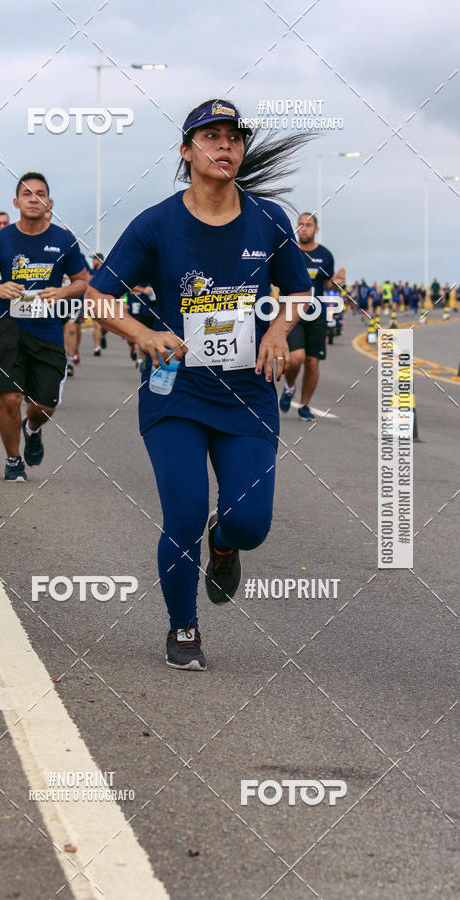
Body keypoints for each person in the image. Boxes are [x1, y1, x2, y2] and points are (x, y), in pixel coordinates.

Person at [86, 99, 312, 670]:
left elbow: (299, 291)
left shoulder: (268, 220)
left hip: (248, 392)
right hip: (176, 392)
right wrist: (144, 334)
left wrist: (278, 331)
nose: (225, 145)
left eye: (234, 137)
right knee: (185, 511)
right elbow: (98, 297)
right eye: (210, 137)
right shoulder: (157, 224)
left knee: (250, 523)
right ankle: (183, 627)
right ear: (186, 151)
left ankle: (225, 543)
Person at [0, 172, 89, 481]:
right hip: (11, 328)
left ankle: (32, 428)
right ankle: (13, 460)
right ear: (16, 202)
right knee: (10, 398)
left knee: (44, 406)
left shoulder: (64, 240)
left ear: (48, 202)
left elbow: (83, 281)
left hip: (49, 331)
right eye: (27, 194)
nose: (33, 199)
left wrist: (62, 292)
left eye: (40, 194)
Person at [278, 212, 345, 421]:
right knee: (296, 358)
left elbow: (327, 284)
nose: (303, 228)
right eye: (300, 224)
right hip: (292, 311)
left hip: (317, 313)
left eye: (308, 225)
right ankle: (289, 387)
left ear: (316, 229)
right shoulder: (288, 250)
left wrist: (336, 282)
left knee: (312, 362)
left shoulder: (325, 255)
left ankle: (305, 405)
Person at [91, 252, 108, 356]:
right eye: (92, 259)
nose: (93, 261)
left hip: (106, 301)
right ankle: (97, 348)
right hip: (94, 302)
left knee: (106, 326)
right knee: (97, 325)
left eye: (95, 259)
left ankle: (102, 335)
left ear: (100, 260)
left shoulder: (107, 271)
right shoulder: (91, 272)